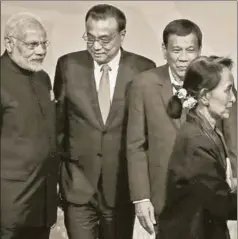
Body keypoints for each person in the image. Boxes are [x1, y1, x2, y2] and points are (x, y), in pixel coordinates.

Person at [53, 4, 156, 239]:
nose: (96, 46)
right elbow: (59, 127)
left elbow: (146, 134)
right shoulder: (68, 65)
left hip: (120, 186)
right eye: (90, 38)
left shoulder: (143, 69)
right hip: (77, 184)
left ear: (122, 35)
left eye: (104, 39)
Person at [127, 19, 237, 236]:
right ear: (164, 50)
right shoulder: (144, 84)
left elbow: (233, 138)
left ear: (200, 50)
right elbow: (135, 145)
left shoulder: (219, 86)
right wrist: (141, 197)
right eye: (176, 50)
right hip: (163, 196)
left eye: (190, 50)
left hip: (210, 197)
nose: (183, 58)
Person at [158, 55, 237, 239]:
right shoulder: (196, 142)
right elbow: (221, 203)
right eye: (227, 90)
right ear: (204, 97)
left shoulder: (207, 131)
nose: (233, 98)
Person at [1, 13, 59, 239]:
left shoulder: (43, 78)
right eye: (32, 44)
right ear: (9, 43)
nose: (41, 51)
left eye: (44, 43)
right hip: (8, 206)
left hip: (42, 203)